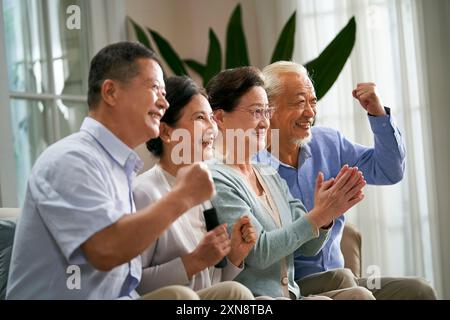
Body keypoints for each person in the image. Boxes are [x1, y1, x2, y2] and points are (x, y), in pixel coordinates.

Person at [7, 42, 219, 299]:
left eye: (164, 92)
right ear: (110, 92)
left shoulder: (119, 168)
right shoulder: (71, 160)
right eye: (155, 88)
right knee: (182, 298)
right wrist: (183, 196)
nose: (164, 103)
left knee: (235, 297)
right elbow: (105, 250)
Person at [258, 60, 436, 299]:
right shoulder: (253, 167)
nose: (310, 113)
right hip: (292, 286)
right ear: (269, 110)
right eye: (300, 102)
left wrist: (377, 113)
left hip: (341, 278)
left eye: (313, 101)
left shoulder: (329, 142)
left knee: (419, 290)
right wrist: (320, 216)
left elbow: (389, 171)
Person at [205, 66, 375, 300]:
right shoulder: (216, 177)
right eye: (256, 112)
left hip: (293, 295)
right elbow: (259, 251)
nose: (265, 122)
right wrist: (317, 216)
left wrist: (325, 217)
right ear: (221, 118)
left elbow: (308, 247)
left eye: (266, 112)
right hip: (259, 300)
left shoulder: (267, 172)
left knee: (360, 295)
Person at [133, 75, 256, 300]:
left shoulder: (202, 194)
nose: (212, 127)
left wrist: (234, 256)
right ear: (167, 132)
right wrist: (195, 261)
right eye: (200, 118)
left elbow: (213, 286)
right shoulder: (143, 193)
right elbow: (131, 283)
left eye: (211, 117)